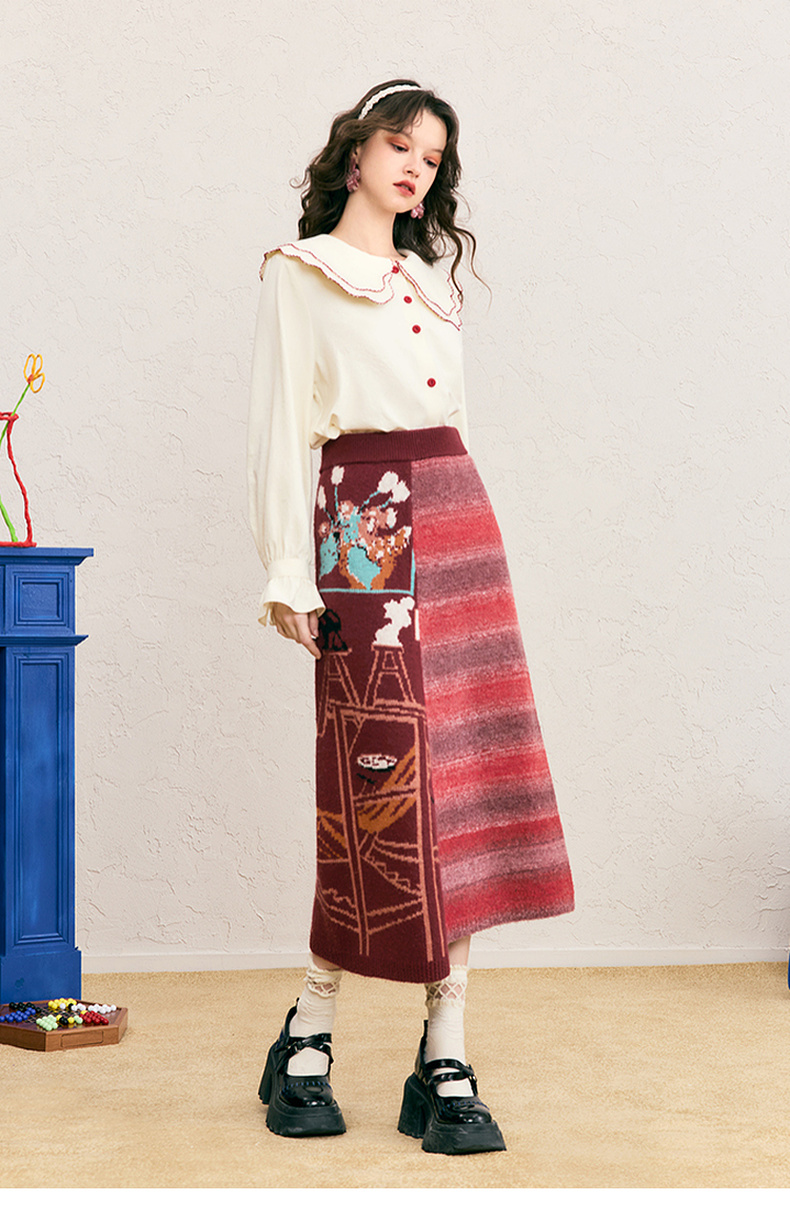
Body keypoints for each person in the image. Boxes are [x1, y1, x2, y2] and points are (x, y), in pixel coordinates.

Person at [248, 79, 574, 1156]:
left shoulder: (429, 279)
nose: (414, 169)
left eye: (432, 159)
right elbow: (276, 425)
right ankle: (311, 1025)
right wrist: (290, 571)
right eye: (399, 146)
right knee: (373, 780)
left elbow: (454, 418)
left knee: (461, 780)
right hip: (365, 527)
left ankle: (446, 1047)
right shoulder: (300, 272)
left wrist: (468, 531)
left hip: (457, 522)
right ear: (355, 153)